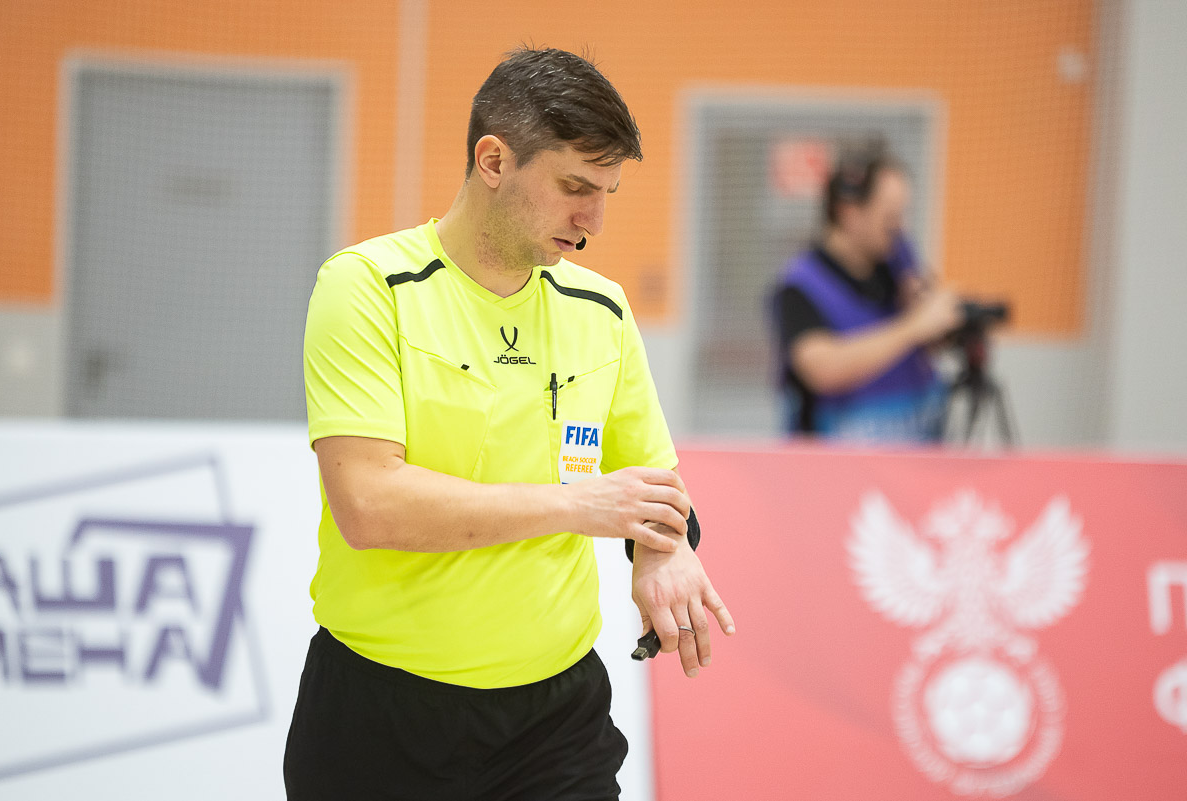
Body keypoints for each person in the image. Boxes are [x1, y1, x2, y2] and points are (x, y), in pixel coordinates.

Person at [284, 47, 735, 800]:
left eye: (606, 193)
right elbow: (368, 504)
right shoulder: (367, 288)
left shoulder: (601, 309)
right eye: (574, 188)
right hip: (380, 717)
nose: (593, 220)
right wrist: (577, 506)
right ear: (493, 161)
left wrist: (660, 552)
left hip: (555, 727)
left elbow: (653, 488)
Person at [769, 147, 965, 442]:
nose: (899, 228)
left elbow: (927, 340)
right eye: (890, 218)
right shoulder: (799, 285)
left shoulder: (898, 265)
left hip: (915, 444)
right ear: (850, 214)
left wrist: (940, 323)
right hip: (837, 458)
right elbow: (822, 369)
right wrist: (915, 326)